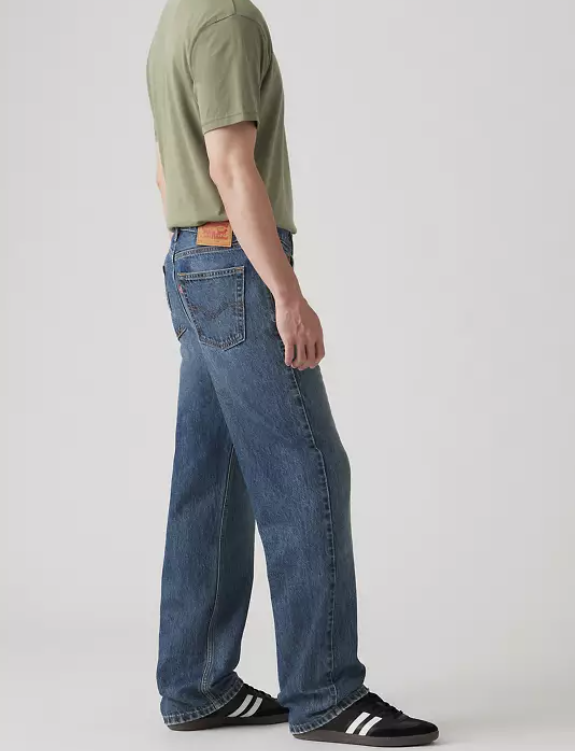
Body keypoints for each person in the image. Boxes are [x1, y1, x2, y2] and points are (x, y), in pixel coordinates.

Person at [146, 0, 439, 746]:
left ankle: (196, 684)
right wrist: (285, 293)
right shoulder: (225, 18)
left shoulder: (177, 19)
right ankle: (327, 693)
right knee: (307, 467)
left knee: (212, 478)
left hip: (193, 255)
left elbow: (167, 168)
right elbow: (228, 163)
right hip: (235, 263)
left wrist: (200, 263)